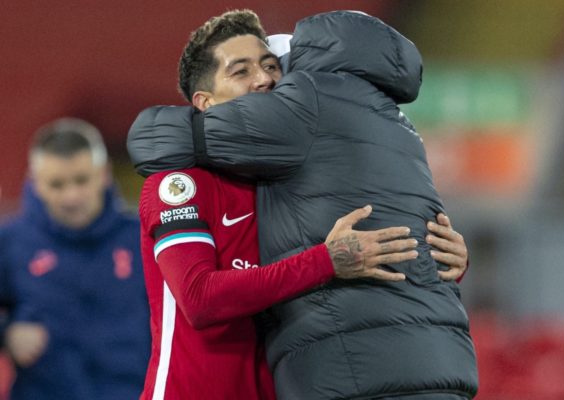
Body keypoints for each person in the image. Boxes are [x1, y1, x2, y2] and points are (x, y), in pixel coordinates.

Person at [127, 9, 476, 400]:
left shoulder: (288, 179)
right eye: (240, 71)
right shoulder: (180, 184)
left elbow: (361, 256)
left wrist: (440, 257)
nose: (264, 79)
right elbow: (199, 298)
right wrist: (326, 262)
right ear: (204, 102)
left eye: (271, 65)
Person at [0, 118, 150, 400]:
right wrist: (7, 334)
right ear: (35, 182)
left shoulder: (143, 238)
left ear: (104, 174)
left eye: (81, 180)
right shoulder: (10, 242)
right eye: (56, 184)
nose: (71, 196)